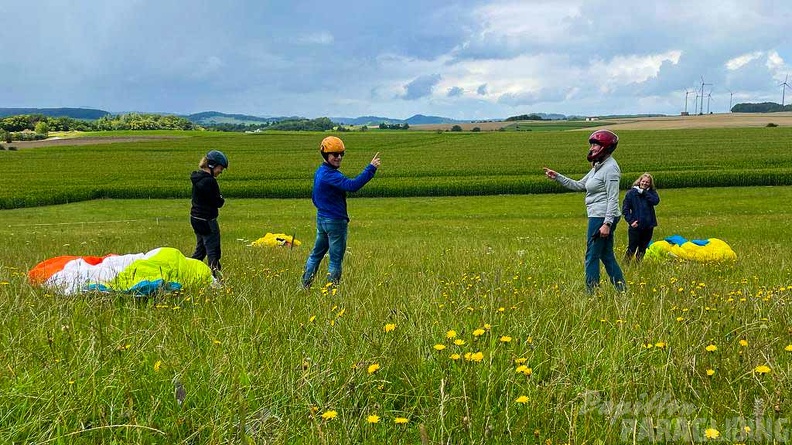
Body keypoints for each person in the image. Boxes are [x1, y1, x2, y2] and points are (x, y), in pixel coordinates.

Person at [543, 129, 626, 293]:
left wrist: (607, 223)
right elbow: (580, 185)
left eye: (596, 144)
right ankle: (621, 289)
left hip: (601, 217)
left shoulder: (611, 169)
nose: (592, 148)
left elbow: (613, 198)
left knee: (591, 256)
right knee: (606, 255)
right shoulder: (599, 167)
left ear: (606, 147)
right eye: (592, 144)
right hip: (600, 216)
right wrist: (557, 176)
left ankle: (591, 293)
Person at [301, 136, 381, 288]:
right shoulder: (331, 175)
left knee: (315, 255)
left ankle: (304, 286)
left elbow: (314, 197)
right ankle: (331, 291)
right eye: (335, 154)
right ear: (326, 155)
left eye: (341, 154)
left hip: (322, 219)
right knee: (335, 259)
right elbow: (352, 185)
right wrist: (371, 168)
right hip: (335, 221)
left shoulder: (320, 171)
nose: (339, 157)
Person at [190, 150, 228, 279]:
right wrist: (221, 198)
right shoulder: (209, 182)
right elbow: (218, 202)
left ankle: (188, 271)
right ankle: (216, 278)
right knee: (213, 251)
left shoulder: (197, 178)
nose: (220, 171)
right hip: (207, 220)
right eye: (220, 168)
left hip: (195, 219)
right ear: (212, 165)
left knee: (201, 250)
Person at [622, 173, 660, 262]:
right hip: (636, 225)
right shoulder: (631, 193)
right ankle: (625, 265)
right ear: (639, 181)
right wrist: (631, 221)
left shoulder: (651, 193)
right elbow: (625, 210)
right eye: (643, 181)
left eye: (647, 182)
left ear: (650, 184)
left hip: (648, 225)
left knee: (643, 248)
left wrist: (645, 193)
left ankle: (638, 266)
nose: (644, 183)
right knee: (632, 248)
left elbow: (655, 201)